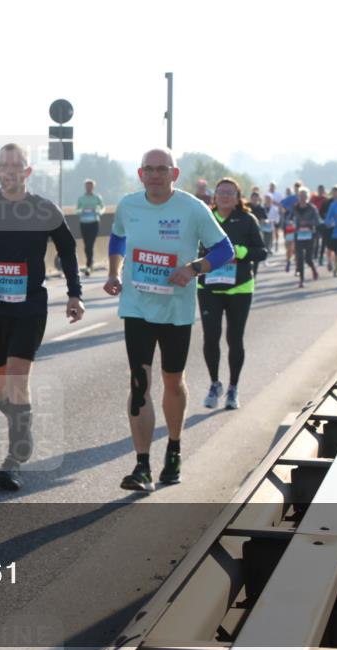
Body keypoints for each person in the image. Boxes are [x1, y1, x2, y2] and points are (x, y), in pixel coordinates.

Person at [104, 148, 233, 493]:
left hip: (175, 310)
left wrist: (193, 269)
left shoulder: (193, 209)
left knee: (173, 382)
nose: (156, 174)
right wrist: (114, 271)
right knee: (139, 384)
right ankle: (142, 465)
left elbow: (225, 250)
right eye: (150, 169)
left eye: (163, 169)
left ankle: (174, 448)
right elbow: (117, 235)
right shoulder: (129, 206)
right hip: (136, 307)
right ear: (140, 173)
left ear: (174, 175)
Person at [0, 144, 84, 492]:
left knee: (18, 380)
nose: (11, 171)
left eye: (17, 165)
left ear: (28, 172)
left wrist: (74, 293)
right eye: (5, 165)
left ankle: (13, 459)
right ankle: (24, 423)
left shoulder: (44, 209)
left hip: (29, 308)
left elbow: (68, 249)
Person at [198, 178, 266, 411]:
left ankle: (233, 388)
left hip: (239, 288)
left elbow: (261, 252)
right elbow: (189, 247)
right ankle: (214, 383)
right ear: (214, 196)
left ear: (238, 198)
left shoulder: (247, 220)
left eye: (230, 192)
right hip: (209, 288)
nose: (225, 196)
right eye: (221, 192)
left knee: (234, 339)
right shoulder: (204, 219)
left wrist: (238, 251)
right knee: (210, 337)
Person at [287, 187, 322, 288]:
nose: (302, 198)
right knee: (300, 257)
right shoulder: (295, 208)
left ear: (307, 197)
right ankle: (301, 280)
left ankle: (313, 269)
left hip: (310, 236)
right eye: (300, 196)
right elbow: (288, 218)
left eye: (304, 196)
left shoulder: (312, 208)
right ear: (298, 197)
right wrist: (290, 222)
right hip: (298, 236)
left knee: (308, 258)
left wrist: (307, 223)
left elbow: (318, 221)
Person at [76, 178, 105, 276]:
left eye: (90, 186)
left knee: (90, 244)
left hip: (94, 222)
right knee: (86, 245)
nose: (89, 187)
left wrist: (99, 212)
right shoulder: (81, 198)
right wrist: (81, 212)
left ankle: (88, 265)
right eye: (87, 186)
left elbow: (102, 207)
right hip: (84, 222)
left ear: (93, 187)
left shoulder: (97, 197)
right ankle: (90, 262)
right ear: (85, 187)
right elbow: (77, 209)